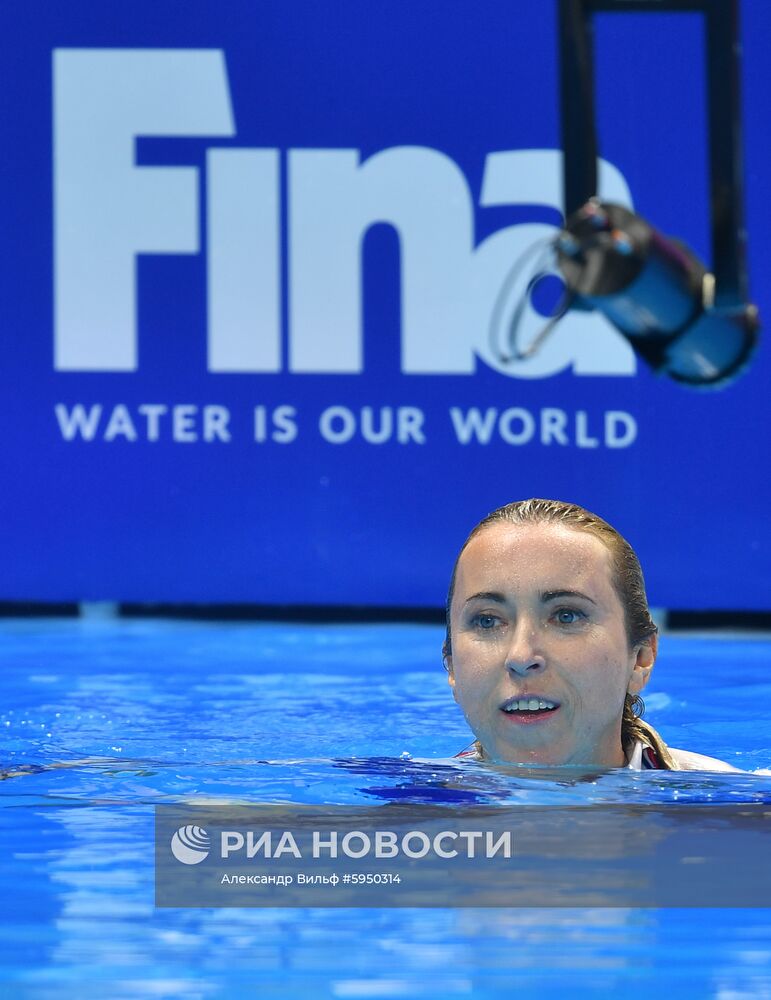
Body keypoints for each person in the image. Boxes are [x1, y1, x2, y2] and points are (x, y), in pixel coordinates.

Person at [444, 498, 739, 771]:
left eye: (566, 616)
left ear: (640, 659)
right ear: (452, 666)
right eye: (486, 621)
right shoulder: (411, 812)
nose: (521, 657)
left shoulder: (735, 812)